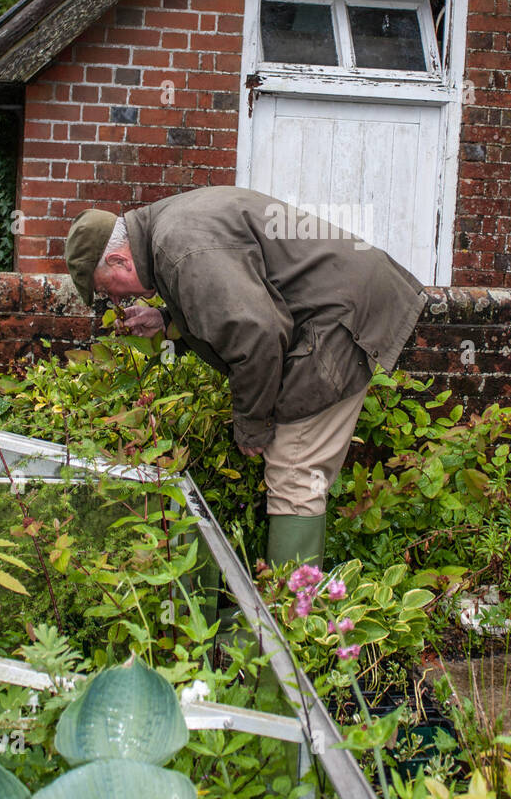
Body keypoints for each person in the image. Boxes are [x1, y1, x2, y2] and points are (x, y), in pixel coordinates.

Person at [64, 186, 426, 570]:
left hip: (339, 319)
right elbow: (234, 301)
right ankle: (292, 608)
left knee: (295, 472)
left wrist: (252, 424)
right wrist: (166, 320)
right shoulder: (168, 229)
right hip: (336, 306)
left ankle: (294, 617)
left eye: (108, 290)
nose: (117, 302)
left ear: (119, 261)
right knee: (294, 469)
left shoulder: (181, 248)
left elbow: (257, 333)